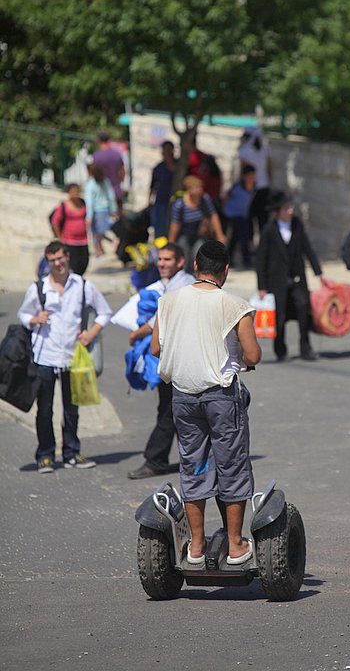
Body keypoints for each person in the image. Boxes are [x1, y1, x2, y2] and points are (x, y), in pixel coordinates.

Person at [150, 240, 261, 564]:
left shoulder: (168, 301)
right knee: (232, 466)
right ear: (225, 270)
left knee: (195, 465)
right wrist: (237, 354)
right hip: (221, 399)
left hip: (183, 398)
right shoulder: (234, 305)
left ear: (195, 267)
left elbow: (157, 348)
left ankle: (196, 547)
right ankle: (236, 544)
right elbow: (253, 354)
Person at [17, 241, 112, 473]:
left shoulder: (82, 285)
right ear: (47, 262)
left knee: (72, 408)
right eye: (52, 261)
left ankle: (71, 452)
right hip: (44, 355)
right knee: (45, 408)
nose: (57, 264)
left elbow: (104, 312)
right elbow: (23, 313)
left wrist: (91, 333)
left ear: (67, 257)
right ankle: (45, 455)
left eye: (60, 258)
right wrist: (33, 319)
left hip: (72, 357)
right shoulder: (39, 288)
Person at [126, 243, 195, 479]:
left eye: (168, 260)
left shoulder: (185, 285)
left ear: (180, 262)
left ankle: (155, 459)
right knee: (171, 409)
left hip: (182, 359)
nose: (162, 264)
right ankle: (193, 460)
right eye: (161, 259)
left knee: (171, 410)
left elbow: (160, 319)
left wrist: (137, 334)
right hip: (168, 359)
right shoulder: (162, 285)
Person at [256, 191, 323, 362]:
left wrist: (319, 273)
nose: (290, 211)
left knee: (303, 311)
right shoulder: (269, 229)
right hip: (277, 280)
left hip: (297, 278)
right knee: (280, 316)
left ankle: (305, 348)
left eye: (291, 207)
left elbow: (307, 248)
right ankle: (280, 349)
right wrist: (262, 286)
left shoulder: (297, 225)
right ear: (278, 211)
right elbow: (261, 259)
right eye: (286, 208)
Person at [168, 175, 226, 272]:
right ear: (189, 189)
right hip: (184, 234)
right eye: (196, 188)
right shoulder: (180, 204)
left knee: (199, 256)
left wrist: (220, 235)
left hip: (199, 234)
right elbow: (175, 224)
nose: (200, 190)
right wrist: (171, 244)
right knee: (183, 258)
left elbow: (213, 216)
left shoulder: (204, 199)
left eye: (200, 187)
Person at [51, 183, 89, 275]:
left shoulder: (83, 203)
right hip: (69, 241)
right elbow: (55, 221)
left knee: (84, 262)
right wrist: (59, 238)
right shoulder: (64, 206)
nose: (75, 193)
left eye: (77, 191)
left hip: (83, 240)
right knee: (73, 264)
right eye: (73, 191)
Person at [239, 127, 271, 232]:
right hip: (264, 187)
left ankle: (251, 244)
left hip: (249, 189)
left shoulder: (244, 151)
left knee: (249, 217)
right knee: (263, 218)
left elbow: (242, 172)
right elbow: (269, 169)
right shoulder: (266, 149)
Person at [224, 164, 256, 269]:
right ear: (244, 176)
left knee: (235, 238)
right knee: (243, 236)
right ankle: (246, 260)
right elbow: (226, 197)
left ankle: (228, 259)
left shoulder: (254, 187)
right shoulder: (237, 187)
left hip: (243, 215)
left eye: (253, 176)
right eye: (249, 176)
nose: (251, 178)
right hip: (233, 214)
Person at [85, 163, 118, 256]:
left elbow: (89, 202)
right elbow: (111, 196)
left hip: (96, 211)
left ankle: (100, 249)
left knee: (96, 233)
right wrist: (113, 210)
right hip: (105, 209)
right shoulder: (105, 181)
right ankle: (101, 247)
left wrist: (89, 217)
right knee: (100, 231)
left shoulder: (90, 185)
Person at [92, 130, 125, 214]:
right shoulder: (117, 154)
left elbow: (94, 174)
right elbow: (122, 172)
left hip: (101, 195)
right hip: (116, 192)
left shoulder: (96, 156)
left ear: (98, 140)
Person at [149, 141, 176, 238]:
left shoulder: (178, 165)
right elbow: (152, 186)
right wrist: (149, 202)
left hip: (173, 202)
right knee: (159, 229)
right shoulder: (158, 168)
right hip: (160, 202)